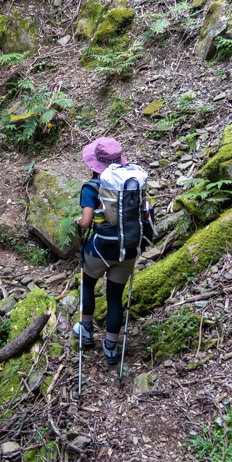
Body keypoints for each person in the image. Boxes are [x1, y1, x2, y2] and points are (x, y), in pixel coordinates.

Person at [72, 137, 133, 365]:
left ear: (94, 165)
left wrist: (79, 221)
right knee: (115, 297)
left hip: (101, 249)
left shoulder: (92, 187)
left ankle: (86, 331)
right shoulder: (131, 183)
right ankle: (110, 345)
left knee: (88, 283)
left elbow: (87, 223)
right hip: (128, 249)